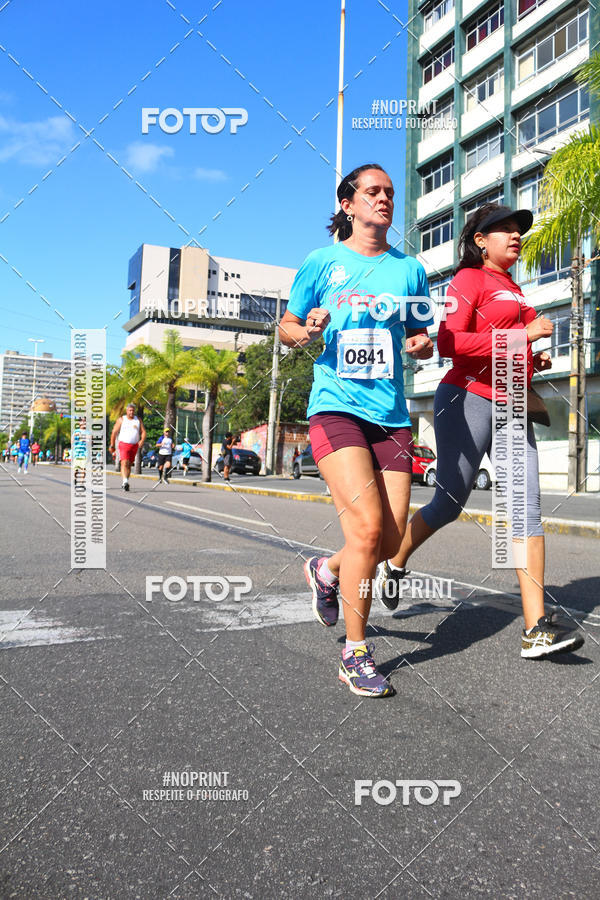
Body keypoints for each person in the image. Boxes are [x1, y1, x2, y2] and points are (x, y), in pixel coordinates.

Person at [378, 203, 584, 660]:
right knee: (450, 502)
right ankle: (394, 560)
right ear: (480, 241)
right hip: (465, 397)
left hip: (511, 402)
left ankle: (535, 628)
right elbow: (449, 342)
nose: (515, 236)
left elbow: (506, 346)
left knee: (525, 510)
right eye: (504, 229)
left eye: (518, 230)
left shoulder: (514, 288)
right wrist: (522, 338)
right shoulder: (468, 280)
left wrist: (531, 358)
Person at [279, 162, 434, 697]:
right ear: (347, 204)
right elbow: (286, 327)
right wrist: (306, 330)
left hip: (390, 415)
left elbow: (421, 337)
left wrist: (421, 344)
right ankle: (356, 652)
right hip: (336, 407)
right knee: (366, 530)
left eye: (389, 192)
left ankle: (326, 570)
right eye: (373, 191)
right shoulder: (322, 262)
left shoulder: (410, 270)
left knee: (388, 540)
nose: (384, 198)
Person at [109, 403, 146, 492]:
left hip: (134, 445)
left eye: (133, 410)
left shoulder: (138, 420)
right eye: (130, 410)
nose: (131, 412)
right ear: (127, 411)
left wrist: (142, 440)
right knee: (124, 462)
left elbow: (144, 432)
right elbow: (114, 432)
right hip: (123, 444)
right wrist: (112, 445)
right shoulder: (122, 419)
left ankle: (125, 482)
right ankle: (125, 481)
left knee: (129, 465)